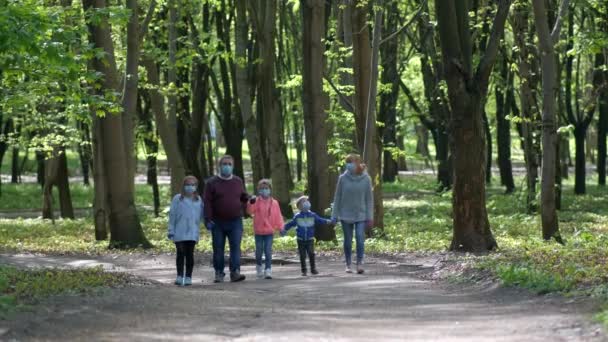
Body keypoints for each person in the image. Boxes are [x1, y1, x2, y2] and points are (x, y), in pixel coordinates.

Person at [204, 155, 250, 283]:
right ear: (220, 166)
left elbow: (243, 196)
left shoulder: (238, 181)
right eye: (224, 164)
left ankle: (235, 272)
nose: (227, 166)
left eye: (229, 164)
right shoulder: (211, 183)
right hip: (217, 222)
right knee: (218, 248)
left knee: (235, 247)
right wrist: (207, 219)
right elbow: (207, 202)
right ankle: (219, 273)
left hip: (235, 221)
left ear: (233, 166)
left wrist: (248, 202)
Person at [331, 153, 373, 274]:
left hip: (361, 214)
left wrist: (370, 217)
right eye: (347, 162)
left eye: (352, 162)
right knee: (348, 240)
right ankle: (348, 263)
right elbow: (337, 197)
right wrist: (334, 215)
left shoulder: (366, 179)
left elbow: (369, 199)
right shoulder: (342, 179)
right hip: (345, 214)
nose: (349, 165)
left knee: (360, 238)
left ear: (358, 163)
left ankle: (360, 263)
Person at [282, 196, 335, 276]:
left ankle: (313, 269)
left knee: (311, 253)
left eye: (307, 201)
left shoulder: (312, 215)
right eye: (304, 202)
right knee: (302, 255)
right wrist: (284, 229)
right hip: (300, 239)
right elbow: (291, 224)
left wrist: (329, 221)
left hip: (310, 239)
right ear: (299, 206)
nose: (307, 203)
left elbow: (320, 220)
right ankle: (304, 270)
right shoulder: (297, 216)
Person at [167, 175, 203, 286]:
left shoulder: (198, 200)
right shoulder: (177, 199)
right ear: (183, 186)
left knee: (189, 254)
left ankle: (188, 277)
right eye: (187, 184)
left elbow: (201, 216)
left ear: (196, 187)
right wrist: (171, 230)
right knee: (180, 253)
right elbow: (172, 215)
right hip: (179, 231)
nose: (190, 187)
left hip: (192, 232)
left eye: (192, 185)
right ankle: (179, 276)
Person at [247, 179, 284, 280]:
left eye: (266, 188)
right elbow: (250, 211)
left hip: (269, 231)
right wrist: (251, 202)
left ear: (270, 190)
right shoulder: (256, 201)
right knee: (259, 251)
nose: (264, 190)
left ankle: (268, 270)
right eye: (262, 189)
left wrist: (281, 228)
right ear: (258, 190)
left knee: (268, 250)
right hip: (258, 231)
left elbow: (278, 216)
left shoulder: (274, 203)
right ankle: (259, 266)